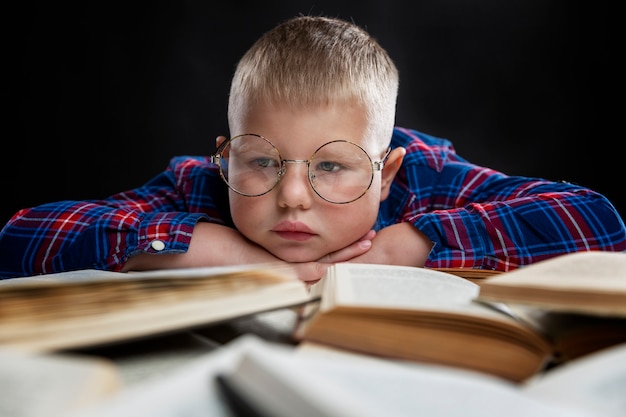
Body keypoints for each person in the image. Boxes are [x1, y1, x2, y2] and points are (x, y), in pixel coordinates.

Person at [1, 15, 625, 282]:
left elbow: (599, 219)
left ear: (385, 174)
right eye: (263, 162)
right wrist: (208, 246)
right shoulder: (202, 186)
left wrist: (401, 246)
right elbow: (20, 237)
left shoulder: (425, 177)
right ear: (227, 156)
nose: (292, 196)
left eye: (331, 166)